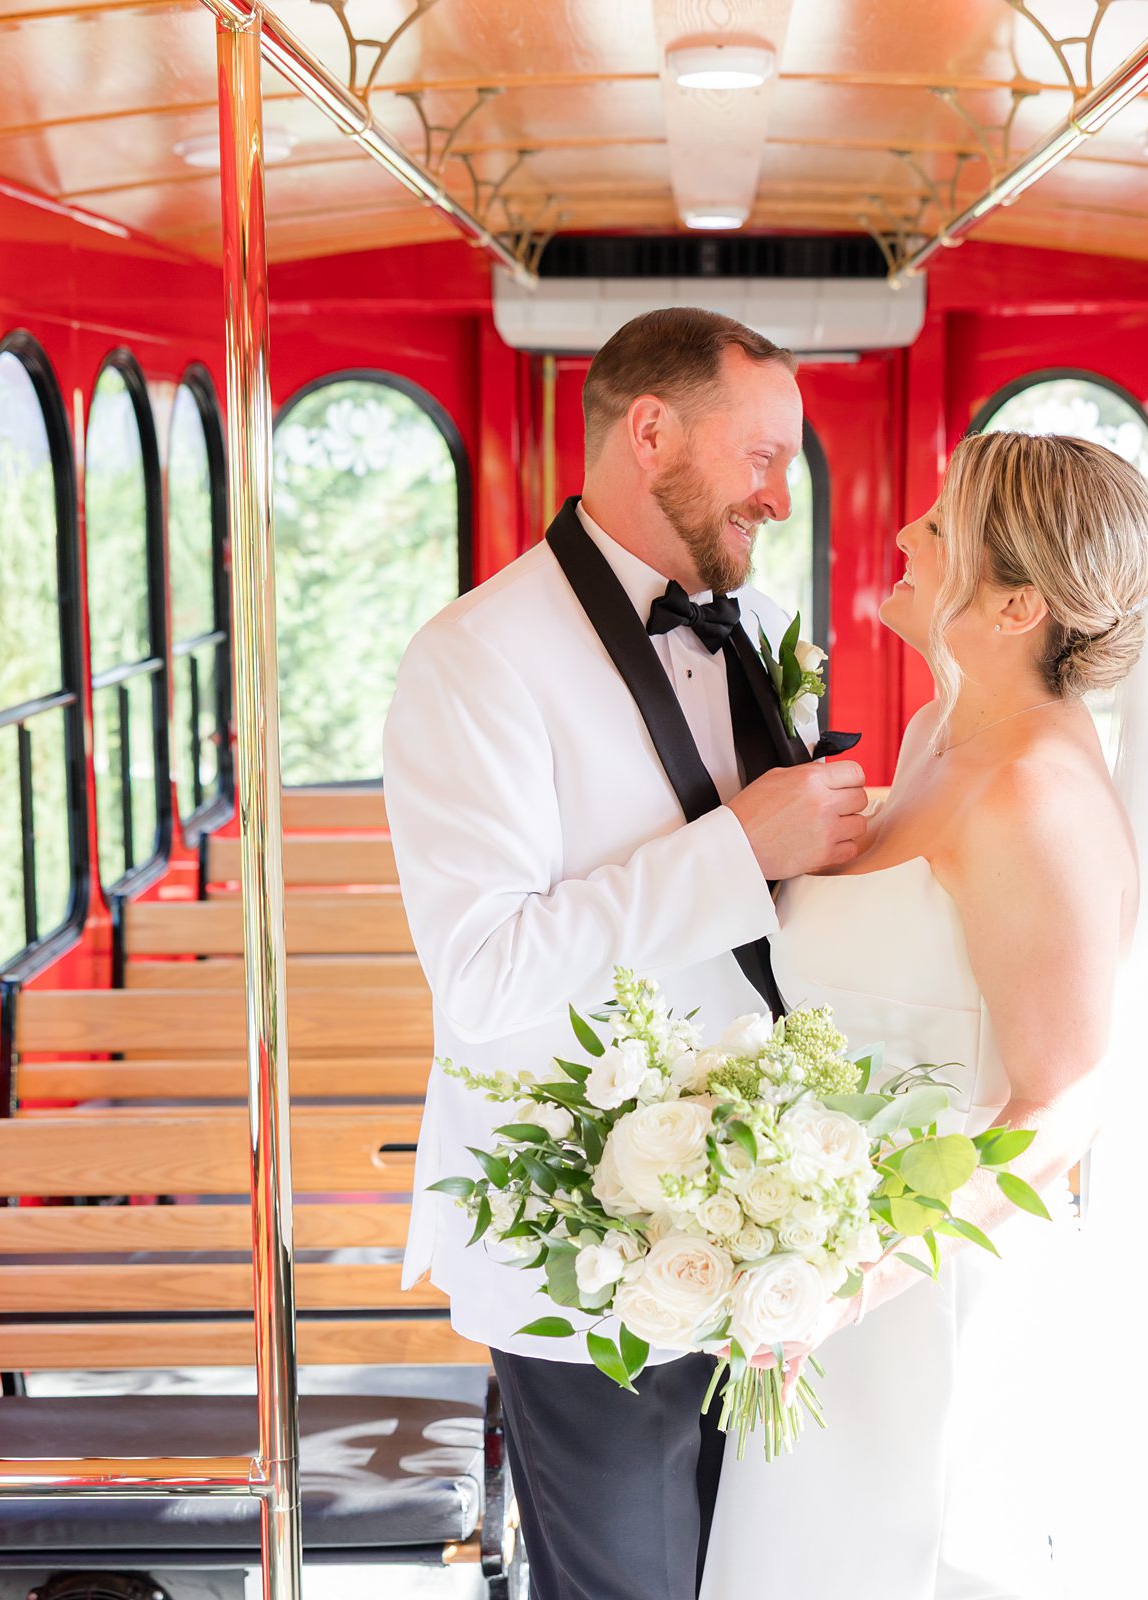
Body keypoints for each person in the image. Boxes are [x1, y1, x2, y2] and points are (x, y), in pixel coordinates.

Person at [698, 431, 1148, 1596]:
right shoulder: (938, 742)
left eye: (939, 527)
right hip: (828, 1279)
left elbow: (1060, 1104)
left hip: (930, 1301)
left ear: (1015, 605)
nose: (905, 535)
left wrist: (858, 1272)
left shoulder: (1036, 799)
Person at [383, 306, 868, 1600]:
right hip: (580, 1237)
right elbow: (482, 973)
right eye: (760, 455)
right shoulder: (473, 662)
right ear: (649, 433)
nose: (779, 495)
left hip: (775, 1224)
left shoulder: (768, 625)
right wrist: (735, 848)